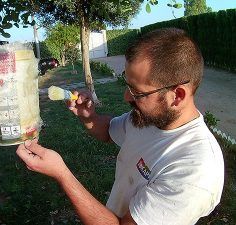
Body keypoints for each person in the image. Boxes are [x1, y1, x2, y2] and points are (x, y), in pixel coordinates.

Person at [16, 28, 224, 225]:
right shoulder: (151, 118)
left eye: (137, 92)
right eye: (127, 85)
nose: (126, 97)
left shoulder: (195, 173)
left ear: (177, 96)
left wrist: (62, 174)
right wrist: (88, 116)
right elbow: (108, 131)